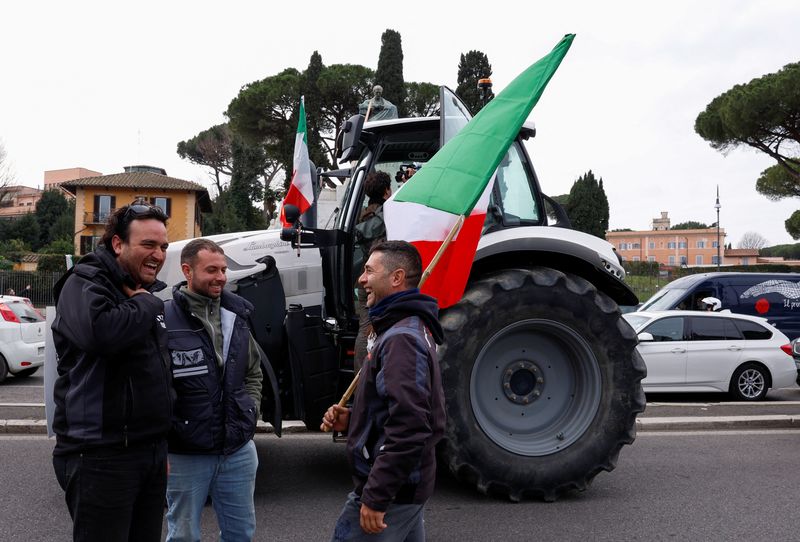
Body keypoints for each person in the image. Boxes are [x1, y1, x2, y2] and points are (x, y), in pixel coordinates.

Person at [51, 200, 173, 542]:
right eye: (148, 245)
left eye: (162, 246)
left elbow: (156, 371)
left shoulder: (142, 289)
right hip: (100, 455)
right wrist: (146, 304)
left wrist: (158, 447)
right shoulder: (85, 282)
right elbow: (102, 334)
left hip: (146, 452)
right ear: (118, 244)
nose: (159, 255)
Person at [322, 240, 446, 541]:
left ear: (396, 277)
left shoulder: (401, 340)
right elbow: (397, 411)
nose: (361, 279)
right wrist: (353, 420)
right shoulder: (401, 329)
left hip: (393, 491)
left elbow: (410, 427)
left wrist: (376, 497)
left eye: (368, 271)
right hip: (405, 486)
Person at [164, 238, 263, 542]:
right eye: (211, 270)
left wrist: (250, 411)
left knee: (241, 533)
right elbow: (154, 388)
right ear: (187, 271)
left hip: (237, 449)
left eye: (223, 269)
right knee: (183, 535)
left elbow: (253, 372)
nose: (221, 277)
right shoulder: (164, 318)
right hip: (185, 453)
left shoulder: (238, 314)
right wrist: (163, 440)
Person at [353, 171, 392, 370]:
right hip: (382, 280)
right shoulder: (390, 214)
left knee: (365, 330)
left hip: (364, 280)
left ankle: (360, 381)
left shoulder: (364, 216)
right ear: (386, 191)